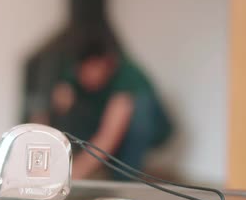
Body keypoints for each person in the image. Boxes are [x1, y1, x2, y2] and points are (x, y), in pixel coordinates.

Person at [41, 38, 172, 180]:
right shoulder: (74, 71)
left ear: (107, 63)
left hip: (154, 129)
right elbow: (52, 107)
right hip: (104, 120)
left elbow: (109, 136)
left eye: (93, 69)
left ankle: (124, 179)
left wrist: (69, 176)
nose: (87, 76)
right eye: (82, 71)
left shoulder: (128, 75)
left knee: (140, 109)